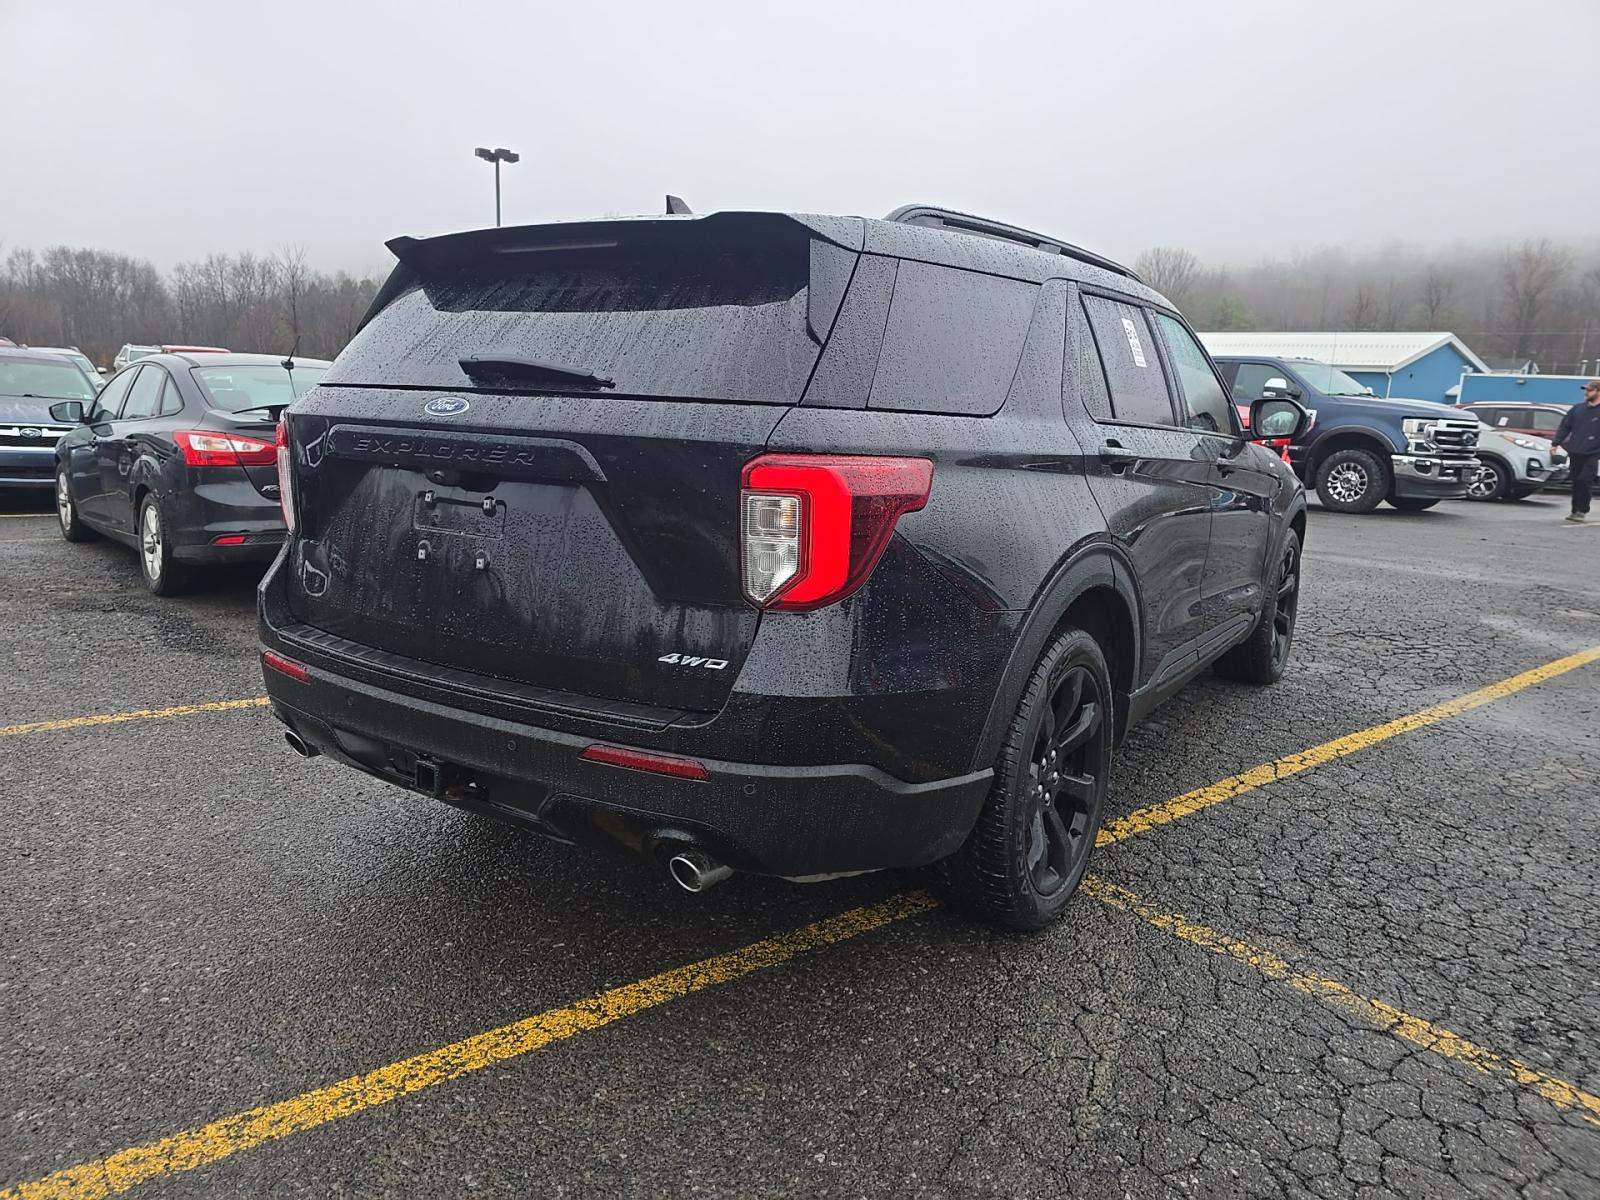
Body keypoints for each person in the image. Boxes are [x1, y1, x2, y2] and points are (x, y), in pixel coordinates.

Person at [1553, 380, 1600, 523]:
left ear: (1598, 392)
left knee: (1585, 480)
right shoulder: (1577, 409)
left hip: (1593, 452)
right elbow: (1565, 426)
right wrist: (1555, 443)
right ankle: (1574, 510)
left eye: (1590, 390)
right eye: (1586, 390)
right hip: (1575, 451)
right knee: (1575, 481)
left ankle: (1582, 510)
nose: (1586, 393)